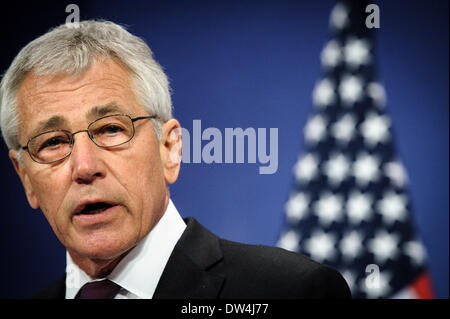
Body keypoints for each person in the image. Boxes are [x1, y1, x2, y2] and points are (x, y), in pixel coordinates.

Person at [0, 20, 351, 299]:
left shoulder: (291, 290)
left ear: (169, 149)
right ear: (26, 179)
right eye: (54, 142)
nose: (85, 167)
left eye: (110, 129)